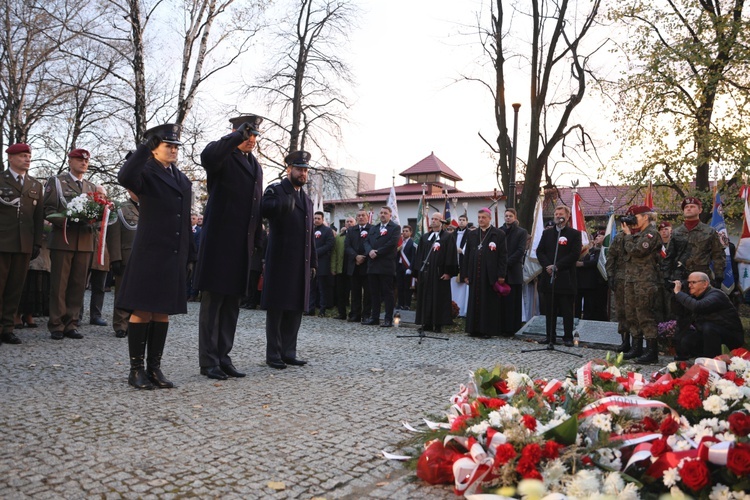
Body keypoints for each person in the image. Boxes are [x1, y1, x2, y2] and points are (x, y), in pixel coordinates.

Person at [117, 123, 195, 390]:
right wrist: (144, 148)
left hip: (174, 253)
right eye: (168, 145)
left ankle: (155, 368)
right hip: (150, 251)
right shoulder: (145, 171)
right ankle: (135, 369)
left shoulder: (182, 179)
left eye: (176, 146)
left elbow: (185, 220)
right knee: (142, 308)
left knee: (162, 311)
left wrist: (190, 254)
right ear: (154, 148)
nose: (173, 150)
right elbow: (125, 177)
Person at [194, 115, 265, 380]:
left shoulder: (255, 166)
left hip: (242, 246)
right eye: (247, 134)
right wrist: (235, 137)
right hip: (219, 243)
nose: (251, 140)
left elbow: (254, 205)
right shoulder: (222, 156)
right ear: (235, 134)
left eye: (255, 135)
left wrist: (258, 238)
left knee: (232, 304)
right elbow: (208, 156)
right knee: (213, 305)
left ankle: (224, 356)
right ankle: (208, 360)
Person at [261, 150, 316, 369]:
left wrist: (313, 261)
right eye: (299, 169)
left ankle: (288, 351)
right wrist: (282, 204)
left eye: (305, 170)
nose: (303, 174)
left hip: (301, 262)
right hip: (281, 259)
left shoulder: (307, 200)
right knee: (277, 309)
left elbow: (309, 234)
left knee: (295, 308)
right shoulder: (276, 190)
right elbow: (264, 209)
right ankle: (273, 354)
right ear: (289, 169)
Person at [662, 196, 725, 360]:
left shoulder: (709, 231)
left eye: (692, 206)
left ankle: (704, 353)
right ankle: (682, 353)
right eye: (686, 207)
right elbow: (669, 257)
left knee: (703, 317)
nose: (689, 208)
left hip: (702, 281)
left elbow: (718, 256)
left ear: (700, 210)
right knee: (681, 318)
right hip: (681, 281)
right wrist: (666, 277)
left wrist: (718, 276)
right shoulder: (676, 233)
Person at [44, 148, 97, 341]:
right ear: (70, 161)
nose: (83, 163)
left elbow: (97, 213)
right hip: (63, 239)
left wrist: (95, 219)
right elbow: (48, 209)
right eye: (79, 160)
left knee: (78, 284)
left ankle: (71, 323)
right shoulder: (57, 182)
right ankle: (56, 324)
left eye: (86, 161)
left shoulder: (91, 187)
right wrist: (68, 219)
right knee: (59, 284)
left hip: (84, 241)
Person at [0, 143, 43, 344]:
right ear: (10, 158)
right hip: (2, 241)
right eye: (22, 156)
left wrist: (36, 243)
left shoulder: (35, 185)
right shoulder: (2, 180)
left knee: (15, 288)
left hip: (24, 244)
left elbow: (38, 216)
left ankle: (7, 327)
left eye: (28, 156)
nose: (27, 159)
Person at [619, 205, 662, 363]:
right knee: (631, 314)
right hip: (631, 279)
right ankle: (636, 348)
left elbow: (637, 251)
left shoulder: (651, 233)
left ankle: (652, 351)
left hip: (645, 280)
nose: (632, 220)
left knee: (645, 314)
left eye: (635, 217)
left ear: (645, 217)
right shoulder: (636, 234)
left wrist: (628, 236)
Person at [535, 205, 582, 346]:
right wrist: (548, 266)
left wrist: (557, 266)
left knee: (566, 309)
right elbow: (540, 251)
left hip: (565, 277)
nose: (557, 215)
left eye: (561, 213)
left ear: (567, 217)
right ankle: (550, 336)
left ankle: (567, 337)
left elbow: (574, 254)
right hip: (549, 276)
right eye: (556, 213)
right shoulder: (547, 233)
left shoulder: (574, 234)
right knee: (550, 309)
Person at [672, 272, 744, 358]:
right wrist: (675, 296)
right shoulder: (696, 297)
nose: (689, 285)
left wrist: (679, 294)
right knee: (687, 339)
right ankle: (699, 358)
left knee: (708, 327)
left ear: (705, 284)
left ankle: (711, 362)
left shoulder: (716, 295)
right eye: (688, 283)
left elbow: (698, 307)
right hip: (710, 334)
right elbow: (679, 312)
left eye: (693, 282)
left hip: (731, 337)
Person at [463, 208, 508, 338]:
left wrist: (501, 275)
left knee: (488, 302)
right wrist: (465, 274)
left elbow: (502, 256)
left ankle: (487, 330)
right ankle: (473, 329)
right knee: (474, 301)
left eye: (483, 217)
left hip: (490, 275)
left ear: (489, 219)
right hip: (474, 274)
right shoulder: (472, 234)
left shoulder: (498, 234)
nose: (481, 220)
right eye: (479, 217)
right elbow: (467, 255)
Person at [414, 213, 458, 332]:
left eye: (436, 219)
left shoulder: (447, 237)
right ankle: (426, 323)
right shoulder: (425, 237)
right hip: (426, 274)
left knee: (439, 298)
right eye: (432, 219)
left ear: (441, 222)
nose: (433, 221)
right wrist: (417, 273)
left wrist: (448, 272)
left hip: (439, 274)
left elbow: (451, 255)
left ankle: (438, 324)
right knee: (425, 297)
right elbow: (419, 256)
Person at [106, 190, 139, 338]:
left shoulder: (152, 207)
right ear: (129, 191)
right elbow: (113, 234)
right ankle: (121, 324)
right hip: (126, 256)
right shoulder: (120, 208)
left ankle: (137, 322)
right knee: (122, 291)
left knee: (140, 292)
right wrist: (115, 258)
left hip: (145, 258)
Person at [363, 206, 400, 327]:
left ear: (390, 215)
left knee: (387, 293)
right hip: (373, 265)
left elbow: (392, 244)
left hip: (386, 265)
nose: (383, 215)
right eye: (381, 213)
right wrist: (369, 251)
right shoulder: (374, 228)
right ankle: (375, 317)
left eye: (385, 213)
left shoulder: (395, 228)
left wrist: (377, 252)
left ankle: (388, 319)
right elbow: (367, 242)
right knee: (374, 293)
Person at [499, 208, 528, 335]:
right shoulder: (499, 231)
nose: (508, 218)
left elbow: (520, 250)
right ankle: (500, 327)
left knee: (513, 301)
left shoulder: (521, 232)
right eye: (506, 215)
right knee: (501, 302)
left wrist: (506, 263)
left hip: (514, 270)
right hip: (500, 270)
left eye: (510, 216)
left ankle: (512, 328)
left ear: (515, 217)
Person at [88, 185, 110, 327]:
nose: (100, 197)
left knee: (99, 287)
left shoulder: (110, 211)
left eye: (102, 195)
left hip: (103, 254)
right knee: (79, 285)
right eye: (98, 194)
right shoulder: (86, 209)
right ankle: (75, 315)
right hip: (87, 251)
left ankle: (96, 315)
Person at [344, 209, 372, 323]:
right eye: (359, 216)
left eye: (363, 215)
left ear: (367, 217)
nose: (361, 217)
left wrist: (364, 257)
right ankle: (355, 314)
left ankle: (366, 315)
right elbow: (347, 246)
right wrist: (356, 256)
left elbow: (372, 244)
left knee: (368, 292)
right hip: (354, 265)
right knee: (355, 292)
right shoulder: (351, 230)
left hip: (367, 265)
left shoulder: (372, 229)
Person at [605, 228, 630, 352]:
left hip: (640, 278)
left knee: (638, 313)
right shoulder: (619, 237)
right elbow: (611, 256)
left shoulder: (645, 234)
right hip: (621, 278)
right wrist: (610, 275)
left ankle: (639, 342)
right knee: (621, 311)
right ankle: (625, 341)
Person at [576, 231, 608, 321]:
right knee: (579, 306)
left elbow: (596, 262)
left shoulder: (600, 251)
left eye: (600, 236)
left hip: (594, 283)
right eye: (596, 236)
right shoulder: (584, 251)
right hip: (580, 282)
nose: (596, 238)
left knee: (591, 307)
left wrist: (582, 264)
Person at [308, 211, 334, 317]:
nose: (316, 220)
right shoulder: (310, 230)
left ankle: (322, 310)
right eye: (315, 218)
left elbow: (329, 244)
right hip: (310, 263)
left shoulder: (328, 231)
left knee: (322, 288)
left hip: (322, 263)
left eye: (318, 218)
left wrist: (315, 252)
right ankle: (310, 309)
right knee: (311, 288)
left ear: (323, 219)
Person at [331, 217, 354, 319]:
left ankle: (354, 313)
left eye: (351, 222)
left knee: (353, 293)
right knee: (340, 292)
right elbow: (334, 252)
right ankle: (342, 313)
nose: (349, 223)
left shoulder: (357, 235)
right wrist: (333, 267)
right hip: (341, 267)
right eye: (347, 222)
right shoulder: (339, 237)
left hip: (353, 268)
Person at [451, 214, 470, 316]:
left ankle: (462, 311)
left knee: (463, 289)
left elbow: (471, 248)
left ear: (467, 222)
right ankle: (452, 310)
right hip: (454, 263)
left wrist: (462, 251)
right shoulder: (453, 234)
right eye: (460, 220)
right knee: (453, 287)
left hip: (464, 264)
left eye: (463, 220)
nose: (461, 221)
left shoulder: (470, 234)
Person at [396, 224, 415, 311]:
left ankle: (407, 304)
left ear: (411, 233)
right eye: (403, 231)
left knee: (407, 287)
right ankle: (400, 304)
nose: (404, 233)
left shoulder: (412, 243)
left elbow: (414, 257)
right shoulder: (400, 242)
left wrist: (410, 268)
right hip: (399, 267)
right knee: (400, 286)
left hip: (407, 267)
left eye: (407, 231)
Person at [187, 213, 202, 302]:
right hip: (186, 255)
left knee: (193, 276)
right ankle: (186, 293)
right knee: (186, 276)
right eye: (191, 218)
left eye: (194, 218)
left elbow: (198, 244)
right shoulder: (186, 229)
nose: (192, 220)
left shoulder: (199, 230)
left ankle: (193, 294)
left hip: (194, 256)